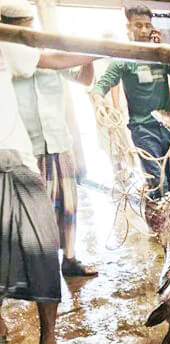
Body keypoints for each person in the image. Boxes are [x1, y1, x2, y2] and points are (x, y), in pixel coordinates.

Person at [0, 0, 97, 344]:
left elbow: (60, 64)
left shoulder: (15, 48)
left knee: (46, 243)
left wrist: (91, 53)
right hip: (24, 151)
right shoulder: (12, 44)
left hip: (24, 155)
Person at [6, 10, 98, 278]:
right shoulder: (10, 56)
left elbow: (84, 79)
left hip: (58, 142)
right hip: (27, 147)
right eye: (23, 27)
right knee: (35, 211)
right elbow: (54, 61)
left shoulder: (52, 54)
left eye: (30, 25)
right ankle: (35, 268)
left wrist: (89, 59)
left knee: (68, 206)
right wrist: (90, 52)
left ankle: (69, 259)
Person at [90, 4, 170, 200]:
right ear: (129, 27)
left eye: (147, 26)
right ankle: (160, 216)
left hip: (169, 128)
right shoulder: (122, 60)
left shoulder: (160, 56)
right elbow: (100, 85)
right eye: (138, 25)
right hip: (143, 130)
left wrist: (165, 51)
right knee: (159, 184)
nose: (143, 30)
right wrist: (99, 101)